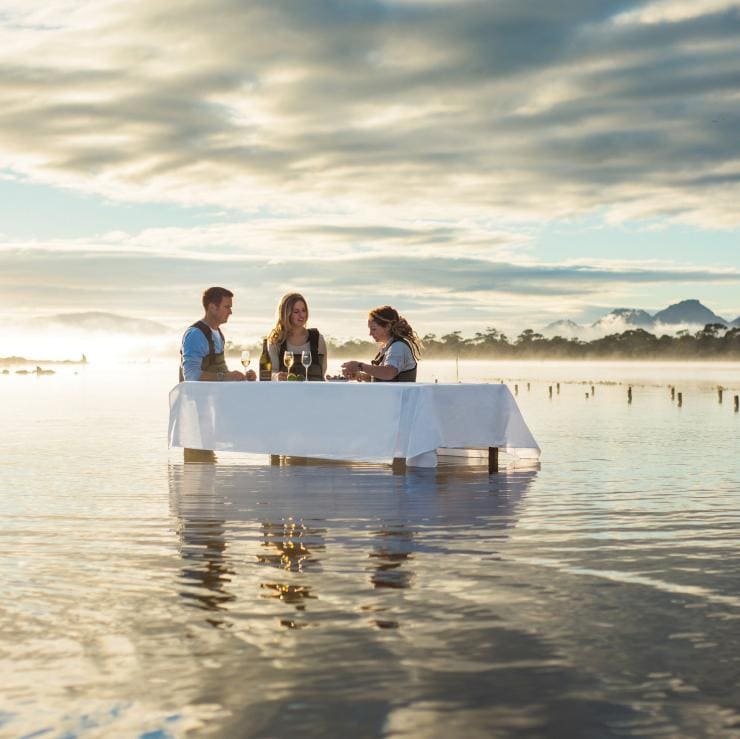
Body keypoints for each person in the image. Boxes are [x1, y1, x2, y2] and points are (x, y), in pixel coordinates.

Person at [180, 286, 256, 382]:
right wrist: (225, 377)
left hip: (217, 394)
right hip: (200, 396)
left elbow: (219, 372)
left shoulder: (219, 334)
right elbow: (191, 375)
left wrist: (241, 377)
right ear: (212, 307)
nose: (230, 312)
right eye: (227, 307)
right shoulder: (195, 335)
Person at [341, 306, 421, 382]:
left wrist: (359, 366)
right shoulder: (389, 347)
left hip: (398, 396)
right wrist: (360, 376)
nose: (370, 333)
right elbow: (385, 378)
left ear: (388, 326)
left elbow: (389, 373)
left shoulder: (398, 346)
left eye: (374, 329)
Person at [267, 293, 327, 381]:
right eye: (296, 312)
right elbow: (271, 373)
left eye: (303, 310)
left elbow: (322, 372)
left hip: (315, 392)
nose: (301, 315)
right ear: (286, 314)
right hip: (286, 392)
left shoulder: (318, 339)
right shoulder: (276, 340)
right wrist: (277, 376)